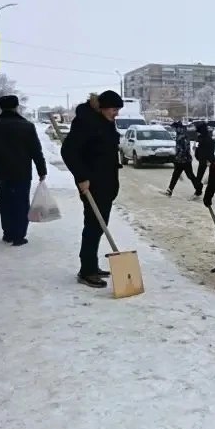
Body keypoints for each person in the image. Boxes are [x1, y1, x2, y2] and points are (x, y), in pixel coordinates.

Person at [61, 90, 124, 287]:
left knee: (98, 226)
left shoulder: (104, 122)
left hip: (106, 182)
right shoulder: (86, 123)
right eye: (114, 109)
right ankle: (86, 271)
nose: (117, 114)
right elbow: (68, 151)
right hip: (93, 184)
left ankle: (92, 265)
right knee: (93, 226)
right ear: (103, 107)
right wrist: (81, 177)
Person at [0, 95, 47, 246]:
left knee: (5, 200)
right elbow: (36, 151)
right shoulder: (27, 126)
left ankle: (8, 233)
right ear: (17, 106)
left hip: (3, 171)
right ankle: (19, 235)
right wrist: (41, 170)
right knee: (21, 201)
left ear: (0, 107)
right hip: (23, 171)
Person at [165, 120, 201, 197]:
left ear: (178, 128)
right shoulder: (180, 135)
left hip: (185, 160)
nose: (174, 130)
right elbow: (179, 148)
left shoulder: (183, 136)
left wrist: (179, 156)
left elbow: (185, 148)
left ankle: (199, 189)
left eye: (175, 128)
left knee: (190, 175)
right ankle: (170, 190)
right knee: (175, 175)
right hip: (179, 160)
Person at [193, 121, 215, 188]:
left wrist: (208, 160)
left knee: (209, 178)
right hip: (203, 160)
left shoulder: (206, 139)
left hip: (206, 160)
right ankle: (198, 191)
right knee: (200, 177)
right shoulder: (202, 138)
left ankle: (199, 191)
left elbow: (210, 150)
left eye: (198, 132)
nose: (197, 133)